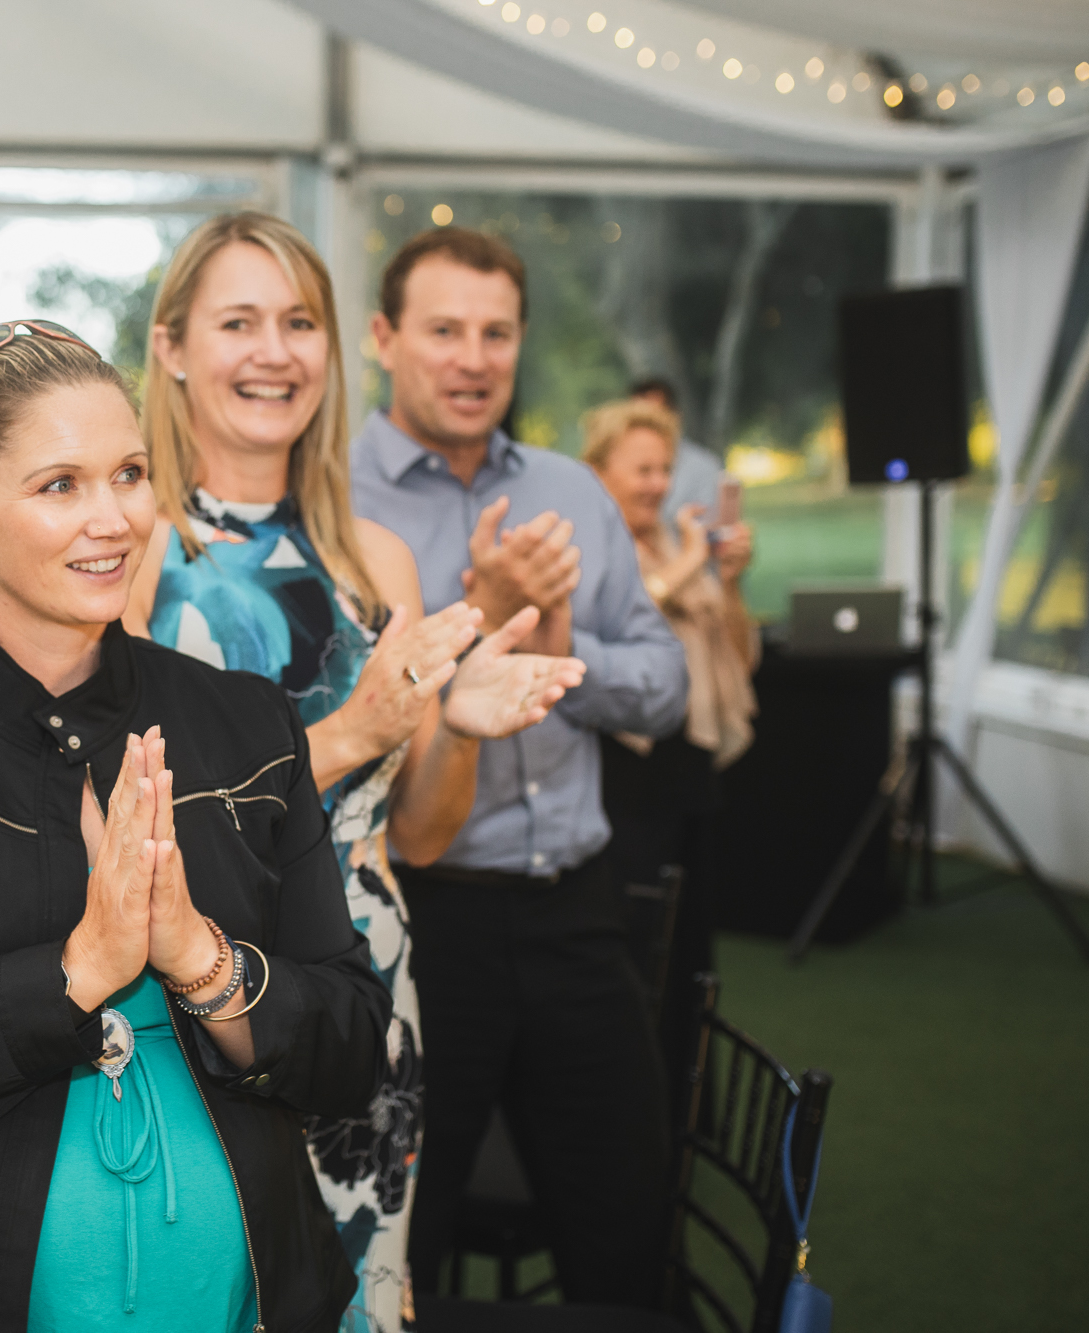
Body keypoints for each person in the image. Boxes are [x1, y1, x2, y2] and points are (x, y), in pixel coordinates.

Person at [0, 324, 391, 1333]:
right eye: (58, 485)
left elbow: (353, 1051)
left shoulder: (244, 724)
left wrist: (199, 955)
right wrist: (77, 969)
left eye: (129, 473)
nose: (113, 519)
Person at [123, 212, 586, 1330]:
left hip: (368, 984)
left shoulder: (374, 555)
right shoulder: (130, 540)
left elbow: (418, 835)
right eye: (238, 322)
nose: (273, 352)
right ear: (174, 345)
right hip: (187, 998)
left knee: (349, 1294)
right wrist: (353, 731)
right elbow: (106, 817)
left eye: (297, 323)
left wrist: (459, 727)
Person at [350, 227, 689, 1308]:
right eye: (442, 329)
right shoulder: (334, 500)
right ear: (382, 338)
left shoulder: (570, 488)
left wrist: (547, 656)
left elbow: (665, 681)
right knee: (409, 1240)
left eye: (494, 332)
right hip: (418, 923)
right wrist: (479, 618)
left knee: (626, 1228)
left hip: (578, 914)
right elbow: (339, 721)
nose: (471, 356)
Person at [584, 396, 757, 1116]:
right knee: (634, 953)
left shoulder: (668, 544)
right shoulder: (593, 548)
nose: (657, 483)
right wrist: (692, 565)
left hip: (687, 777)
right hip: (628, 782)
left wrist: (732, 582)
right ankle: (631, 1108)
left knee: (689, 955)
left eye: (665, 468)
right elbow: (609, 645)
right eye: (642, 468)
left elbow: (738, 655)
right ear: (599, 471)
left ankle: (686, 1111)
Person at [627, 376, 721, 527]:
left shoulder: (704, 467)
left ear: (675, 417)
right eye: (637, 420)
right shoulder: (618, 463)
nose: (658, 485)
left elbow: (711, 531)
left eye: (655, 417)